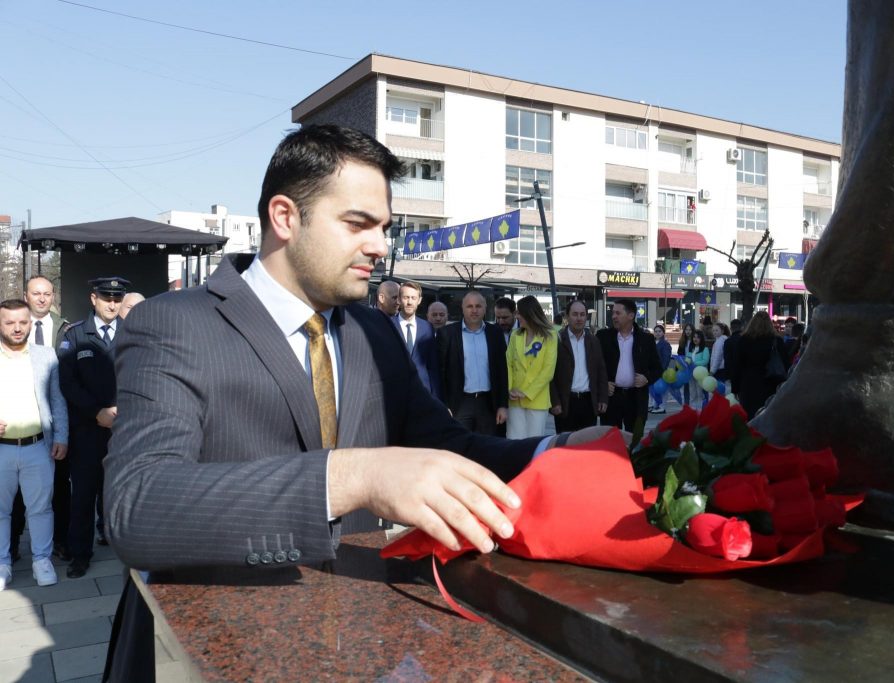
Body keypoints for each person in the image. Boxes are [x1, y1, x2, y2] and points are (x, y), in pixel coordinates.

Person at [103, 125, 614, 680]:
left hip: (360, 639)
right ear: (285, 217)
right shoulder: (174, 323)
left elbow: (449, 448)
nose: (380, 246)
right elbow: (137, 506)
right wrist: (356, 477)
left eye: (385, 228)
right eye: (357, 224)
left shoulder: (372, 331)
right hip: (216, 651)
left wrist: (558, 451)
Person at [58, 276, 127, 579]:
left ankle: (128, 549)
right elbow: (67, 382)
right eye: (106, 297)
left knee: (121, 493)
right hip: (87, 430)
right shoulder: (74, 335)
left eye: (117, 298)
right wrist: (95, 411)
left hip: (123, 428)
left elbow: (143, 373)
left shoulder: (132, 331)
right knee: (83, 495)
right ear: (93, 299)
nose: (112, 304)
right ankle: (80, 554)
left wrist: (121, 410)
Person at [0, 300, 68, 591]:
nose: (17, 328)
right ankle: (2, 563)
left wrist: (61, 436)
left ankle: (42, 560)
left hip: (38, 446)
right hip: (2, 449)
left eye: (22, 322)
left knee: (41, 509)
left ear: (30, 323)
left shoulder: (46, 355)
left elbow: (57, 398)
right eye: (9, 322)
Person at [11, 275, 71, 564]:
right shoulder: (11, 328)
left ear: (53, 295)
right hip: (17, 427)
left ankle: (59, 541)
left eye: (47, 293)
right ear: (26, 296)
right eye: (36, 293)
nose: (42, 298)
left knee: (58, 488)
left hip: (53, 423)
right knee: (14, 496)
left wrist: (62, 431)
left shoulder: (66, 330)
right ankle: (11, 545)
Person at [435, 291, 509, 435]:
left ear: (485, 308)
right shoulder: (447, 334)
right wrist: (444, 405)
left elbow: (502, 371)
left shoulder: (495, 333)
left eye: (478, 306)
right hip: (459, 404)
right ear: (462, 308)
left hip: (488, 403)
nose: (474, 310)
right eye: (469, 306)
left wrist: (502, 405)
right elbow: (440, 373)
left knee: (488, 445)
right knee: (458, 444)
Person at [596, 300, 662, 431]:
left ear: (631, 315)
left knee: (633, 439)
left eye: (618, 313)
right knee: (611, 438)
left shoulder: (646, 339)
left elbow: (657, 368)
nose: (613, 316)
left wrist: (647, 379)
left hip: (636, 399)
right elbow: (594, 366)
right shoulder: (603, 337)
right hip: (612, 398)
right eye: (613, 313)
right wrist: (603, 384)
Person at [549, 300, 607, 431]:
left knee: (587, 442)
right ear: (567, 317)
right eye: (575, 314)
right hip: (565, 403)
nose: (579, 318)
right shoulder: (557, 340)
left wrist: (603, 398)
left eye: (582, 314)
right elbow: (549, 374)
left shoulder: (594, 341)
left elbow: (601, 371)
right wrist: (554, 401)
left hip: (588, 402)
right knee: (565, 442)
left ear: (586, 317)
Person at [506, 296, 558, 438]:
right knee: (514, 442)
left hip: (537, 400)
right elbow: (508, 363)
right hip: (514, 399)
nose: (517, 316)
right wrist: (509, 389)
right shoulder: (515, 335)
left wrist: (527, 393)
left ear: (529, 314)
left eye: (519, 313)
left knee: (533, 442)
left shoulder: (550, 336)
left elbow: (548, 371)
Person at [733, 311, 790, 416]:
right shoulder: (777, 341)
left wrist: (735, 388)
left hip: (748, 384)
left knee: (749, 415)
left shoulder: (743, 340)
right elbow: (785, 364)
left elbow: (737, 365)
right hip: (771, 383)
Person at [393, 281, 440, 397]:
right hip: (394, 392)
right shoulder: (388, 325)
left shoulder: (427, 328)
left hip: (423, 392)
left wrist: (435, 397)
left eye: (413, 298)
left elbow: (433, 366)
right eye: (406, 297)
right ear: (399, 299)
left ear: (419, 300)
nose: (409, 302)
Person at [649, 324, 673, 414]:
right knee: (654, 388)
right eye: (656, 331)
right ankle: (656, 405)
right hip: (653, 370)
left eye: (659, 331)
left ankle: (662, 407)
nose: (657, 333)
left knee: (662, 388)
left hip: (662, 370)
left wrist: (662, 370)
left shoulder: (665, 344)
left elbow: (666, 358)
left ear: (663, 333)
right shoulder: (653, 343)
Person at [686, 329, 710, 410]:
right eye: (694, 337)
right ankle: (693, 409)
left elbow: (705, 361)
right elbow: (687, 359)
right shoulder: (691, 349)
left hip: (700, 375)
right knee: (692, 392)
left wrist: (694, 363)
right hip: (691, 374)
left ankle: (700, 409)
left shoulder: (705, 349)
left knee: (699, 392)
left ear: (701, 339)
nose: (695, 339)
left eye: (698, 337)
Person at [676, 322, 695, 406]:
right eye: (686, 330)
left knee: (694, 387)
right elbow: (679, 354)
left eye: (690, 330)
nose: (688, 331)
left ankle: (694, 405)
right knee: (686, 387)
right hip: (684, 366)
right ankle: (687, 405)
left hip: (693, 366)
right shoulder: (682, 341)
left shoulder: (695, 340)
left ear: (693, 331)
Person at [709, 322, 731, 386]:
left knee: (719, 387)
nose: (714, 332)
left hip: (720, 369)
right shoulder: (719, 340)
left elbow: (717, 357)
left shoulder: (720, 341)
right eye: (713, 330)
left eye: (716, 330)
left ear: (722, 331)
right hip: (720, 368)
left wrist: (712, 371)